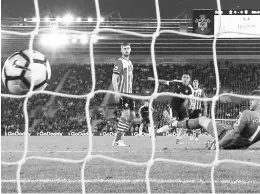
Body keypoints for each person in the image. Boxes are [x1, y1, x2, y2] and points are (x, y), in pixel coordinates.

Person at [157, 90, 260, 150]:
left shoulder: (248, 113)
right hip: (240, 145)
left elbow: (234, 134)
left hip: (226, 137)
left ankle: (173, 124)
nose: (250, 101)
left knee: (201, 120)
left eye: (252, 99)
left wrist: (217, 145)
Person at [149, 73, 193, 144]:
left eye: (187, 77)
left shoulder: (190, 88)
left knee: (186, 123)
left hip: (182, 108)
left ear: (189, 79)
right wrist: (154, 79)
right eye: (184, 77)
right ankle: (156, 132)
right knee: (173, 124)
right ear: (181, 78)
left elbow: (189, 99)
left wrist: (188, 106)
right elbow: (164, 81)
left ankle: (178, 140)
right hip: (174, 106)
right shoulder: (176, 83)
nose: (185, 79)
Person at [111, 42, 134, 147]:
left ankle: (118, 138)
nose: (126, 50)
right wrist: (116, 92)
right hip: (123, 92)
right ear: (121, 50)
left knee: (132, 116)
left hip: (130, 93)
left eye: (128, 48)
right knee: (125, 114)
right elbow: (114, 78)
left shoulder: (130, 63)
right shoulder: (120, 62)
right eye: (124, 48)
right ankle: (118, 140)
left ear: (130, 49)